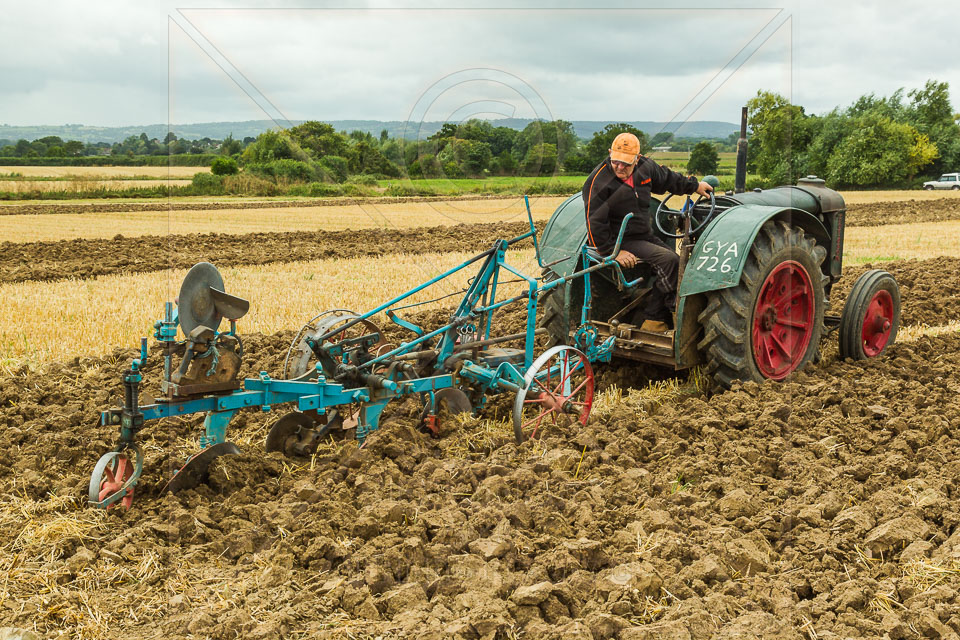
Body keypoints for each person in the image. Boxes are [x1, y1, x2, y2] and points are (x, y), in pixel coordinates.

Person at [582, 132, 713, 332]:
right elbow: (594, 222)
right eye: (616, 161)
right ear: (610, 153)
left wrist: (695, 186)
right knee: (670, 261)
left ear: (637, 158)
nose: (620, 167)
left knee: (678, 264)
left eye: (626, 163)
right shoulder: (597, 181)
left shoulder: (645, 167)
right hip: (619, 240)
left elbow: (668, 179)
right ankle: (664, 318)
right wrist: (613, 252)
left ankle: (655, 315)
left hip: (642, 235)